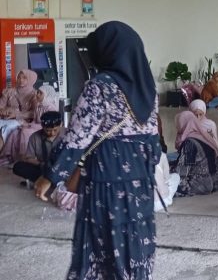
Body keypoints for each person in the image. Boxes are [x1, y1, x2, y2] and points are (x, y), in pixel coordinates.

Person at [34, 21, 160, 280]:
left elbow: (76, 139)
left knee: (102, 251)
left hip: (107, 184)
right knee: (134, 248)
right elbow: (153, 141)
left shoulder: (99, 87)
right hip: (141, 186)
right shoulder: (148, 89)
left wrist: (50, 176)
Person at [1, 83, 59, 164]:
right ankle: (13, 158)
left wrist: (29, 126)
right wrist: (25, 123)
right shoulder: (39, 106)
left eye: (40, 93)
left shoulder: (50, 108)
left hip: (43, 128)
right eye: (37, 92)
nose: (37, 94)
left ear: (46, 95)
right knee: (15, 132)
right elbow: (34, 120)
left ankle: (25, 158)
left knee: (25, 131)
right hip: (35, 125)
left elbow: (46, 124)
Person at [174, 104, 218, 196]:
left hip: (200, 184)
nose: (177, 128)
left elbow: (181, 172)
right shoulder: (204, 136)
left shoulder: (190, 143)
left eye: (179, 124)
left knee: (167, 181)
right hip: (215, 181)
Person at [13, 111, 64, 183]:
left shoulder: (68, 135)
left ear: (61, 124)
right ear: (42, 127)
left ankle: (46, 180)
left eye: (55, 130)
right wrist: (41, 164)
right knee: (18, 167)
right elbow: (29, 158)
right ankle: (50, 180)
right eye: (48, 131)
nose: (52, 133)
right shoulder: (35, 137)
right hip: (44, 167)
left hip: (63, 168)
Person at [0, 69, 38, 149]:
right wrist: (3, 111)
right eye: (19, 78)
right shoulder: (9, 92)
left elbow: (34, 113)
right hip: (5, 118)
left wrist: (17, 115)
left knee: (8, 128)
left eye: (24, 78)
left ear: (30, 79)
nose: (21, 80)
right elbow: (1, 105)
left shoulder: (34, 95)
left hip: (21, 121)